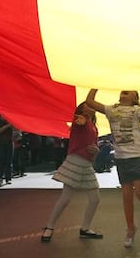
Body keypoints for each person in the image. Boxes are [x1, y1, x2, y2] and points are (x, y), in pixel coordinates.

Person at [86, 89, 140, 248]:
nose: (123, 93)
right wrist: (95, 86)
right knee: (126, 195)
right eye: (122, 91)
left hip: (138, 155)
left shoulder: (136, 110)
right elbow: (89, 102)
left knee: (139, 191)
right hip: (121, 157)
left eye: (128, 92)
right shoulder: (111, 109)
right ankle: (130, 228)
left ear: (135, 97)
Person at [41, 102, 102, 243]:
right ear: (81, 109)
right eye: (87, 105)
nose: (91, 106)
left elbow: (94, 147)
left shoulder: (94, 127)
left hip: (86, 164)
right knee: (66, 198)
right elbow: (77, 122)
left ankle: (85, 229)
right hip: (75, 161)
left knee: (95, 199)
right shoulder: (80, 120)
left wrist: (96, 151)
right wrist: (79, 119)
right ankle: (49, 227)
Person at [0, 117, 14, 186]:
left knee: (9, 161)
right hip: (1, 144)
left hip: (9, 143)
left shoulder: (10, 119)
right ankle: (0, 178)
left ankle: (8, 178)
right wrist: (8, 125)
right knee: (1, 161)